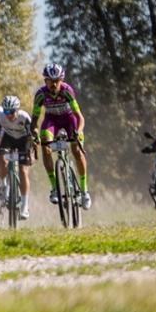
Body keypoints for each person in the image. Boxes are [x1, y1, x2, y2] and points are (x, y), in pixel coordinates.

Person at [33, 63, 90, 208]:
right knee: (45, 143)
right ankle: (54, 188)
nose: (54, 84)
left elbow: (79, 117)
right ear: (45, 80)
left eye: (57, 80)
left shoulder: (67, 90)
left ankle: (84, 191)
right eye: (50, 80)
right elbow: (34, 120)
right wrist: (34, 134)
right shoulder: (40, 94)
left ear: (61, 80)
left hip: (69, 119)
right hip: (51, 120)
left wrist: (79, 131)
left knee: (76, 150)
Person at [0, 94, 34, 218]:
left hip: (23, 140)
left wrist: (31, 153)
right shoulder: (0, 116)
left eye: (11, 112)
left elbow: (32, 137)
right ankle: (4, 186)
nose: (8, 115)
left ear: (17, 110)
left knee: (22, 170)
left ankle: (25, 206)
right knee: (0, 156)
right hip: (8, 138)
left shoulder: (24, 117)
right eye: (6, 111)